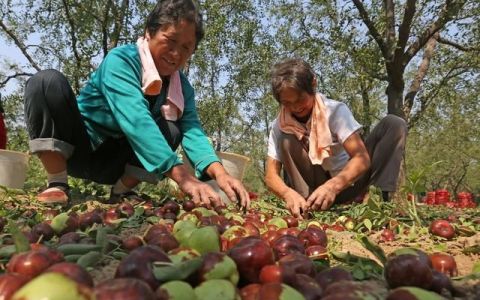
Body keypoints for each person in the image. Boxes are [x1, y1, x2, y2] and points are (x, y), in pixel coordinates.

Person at [23, 0, 249, 208]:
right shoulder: (122, 60)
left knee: (173, 127)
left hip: (116, 164)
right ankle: (57, 183)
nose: (175, 53)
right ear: (149, 33)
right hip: (77, 150)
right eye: (170, 40)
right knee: (46, 82)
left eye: (186, 48)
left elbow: (192, 130)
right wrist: (184, 179)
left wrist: (220, 173)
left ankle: (122, 191)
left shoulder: (182, 88)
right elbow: (136, 120)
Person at [265, 58, 407, 217]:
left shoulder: (334, 111)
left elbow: (361, 158)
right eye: (287, 103)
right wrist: (287, 193)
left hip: (347, 183)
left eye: (300, 99)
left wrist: (333, 186)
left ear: (313, 84)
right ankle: (306, 207)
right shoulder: (279, 125)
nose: (295, 107)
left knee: (394, 124)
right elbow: (271, 175)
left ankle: (379, 201)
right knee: (286, 140)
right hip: (311, 190)